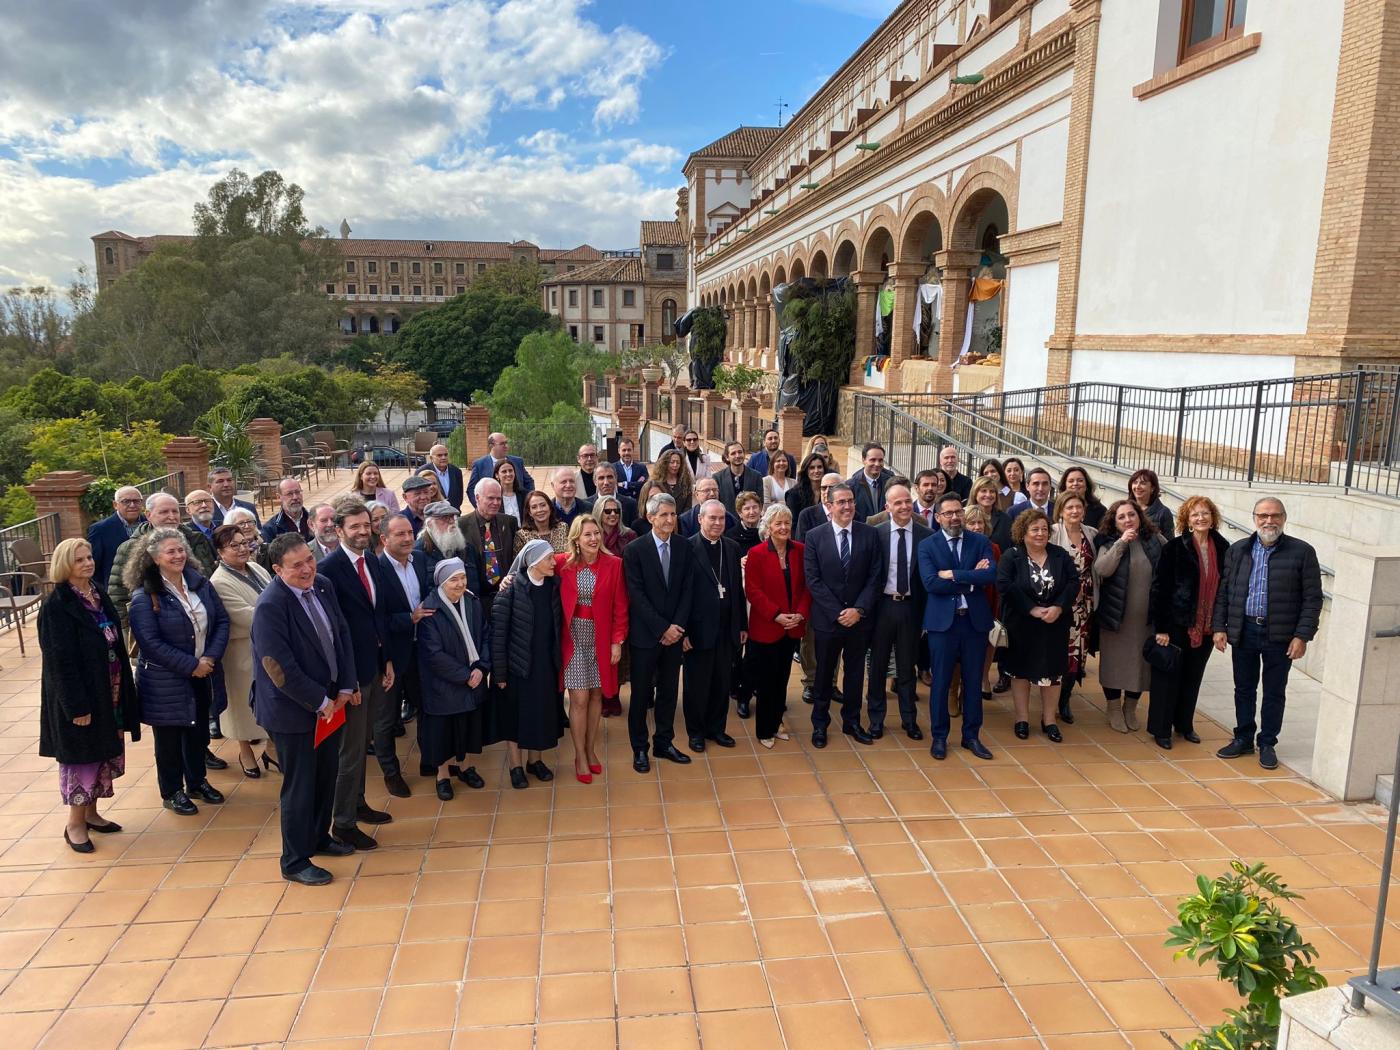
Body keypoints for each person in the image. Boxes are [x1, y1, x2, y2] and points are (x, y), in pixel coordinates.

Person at [251, 533, 358, 886]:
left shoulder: (323, 585)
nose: (307, 569)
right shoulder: (271, 605)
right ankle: (294, 860)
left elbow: (341, 634)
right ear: (277, 568)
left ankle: (319, 837)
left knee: (326, 774)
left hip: (330, 703)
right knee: (300, 785)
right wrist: (321, 701)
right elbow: (278, 667)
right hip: (293, 711)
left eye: (309, 560)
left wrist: (345, 686)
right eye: (296, 565)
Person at [38, 538, 140, 853]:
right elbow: (59, 662)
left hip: (108, 692)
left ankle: (93, 813)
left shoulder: (97, 593)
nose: (87, 563)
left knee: (101, 755)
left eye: (89, 557)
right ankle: (75, 824)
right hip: (82, 699)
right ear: (65, 565)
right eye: (79, 559)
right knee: (83, 760)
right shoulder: (58, 605)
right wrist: (76, 707)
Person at [126, 527, 231, 814]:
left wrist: (209, 658)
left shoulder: (200, 583)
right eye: (170, 551)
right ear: (154, 557)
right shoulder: (144, 596)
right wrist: (191, 665)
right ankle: (172, 791)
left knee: (197, 733)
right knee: (170, 739)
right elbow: (150, 642)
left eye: (181, 549)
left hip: (202, 672)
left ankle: (197, 782)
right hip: (165, 681)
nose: (178, 555)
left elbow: (221, 620)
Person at [1213, 497, 1322, 770]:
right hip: (1245, 629)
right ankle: (1244, 738)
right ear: (1254, 518)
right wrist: (1219, 627)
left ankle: (1268, 742)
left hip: (1281, 634)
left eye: (1274, 515)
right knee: (1244, 688)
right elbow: (1224, 592)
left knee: (1275, 691)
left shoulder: (1302, 552)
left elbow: (1312, 598)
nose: (1268, 521)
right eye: (1263, 515)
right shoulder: (1239, 550)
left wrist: (1302, 636)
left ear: (1284, 518)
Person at [318, 498, 398, 850]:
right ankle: (343, 823)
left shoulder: (374, 562)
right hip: (351, 678)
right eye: (355, 527)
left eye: (366, 525)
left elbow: (380, 616)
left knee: (363, 742)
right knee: (350, 752)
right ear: (338, 531)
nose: (363, 531)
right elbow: (336, 632)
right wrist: (348, 682)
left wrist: (388, 661)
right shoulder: (329, 571)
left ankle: (358, 803)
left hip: (376, 667)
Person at [804, 482, 883, 747]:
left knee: (855, 674)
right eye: (841, 502)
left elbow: (875, 577)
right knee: (824, 675)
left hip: (859, 621)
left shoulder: (869, 535)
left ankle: (852, 722)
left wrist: (858, 610)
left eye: (850, 501)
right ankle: (820, 725)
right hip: (828, 621)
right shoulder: (815, 536)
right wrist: (839, 612)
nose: (847, 506)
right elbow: (813, 580)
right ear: (829, 505)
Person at [922, 493, 998, 760]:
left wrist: (954, 574)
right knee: (941, 682)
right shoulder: (928, 545)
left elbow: (989, 576)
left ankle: (971, 736)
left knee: (973, 681)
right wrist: (972, 578)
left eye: (958, 512)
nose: (954, 517)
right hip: (943, 625)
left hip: (974, 623)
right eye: (948, 513)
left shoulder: (980, 541)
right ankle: (939, 737)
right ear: (939, 517)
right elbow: (931, 583)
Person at [1149, 495, 1228, 750]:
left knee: (1193, 677)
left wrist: (1220, 626)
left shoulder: (1224, 547)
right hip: (1176, 624)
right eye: (1195, 514)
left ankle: (1184, 724)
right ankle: (1161, 729)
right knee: (1168, 677)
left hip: (1206, 626)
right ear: (1187, 519)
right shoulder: (1174, 548)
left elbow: (1226, 589)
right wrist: (1160, 627)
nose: (1201, 518)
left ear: (1213, 517)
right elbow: (1160, 589)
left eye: (1205, 513)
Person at [623, 493, 695, 773]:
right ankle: (639, 748)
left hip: (675, 635)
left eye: (673, 514)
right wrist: (662, 628)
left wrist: (676, 627)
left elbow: (687, 590)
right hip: (646, 636)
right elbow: (636, 595)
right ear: (650, 518)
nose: (670, 519)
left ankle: (664, 742)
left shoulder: (683, 547)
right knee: (641, 695)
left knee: (668, 691)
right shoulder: (635, 550)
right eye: (663, 515)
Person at [556, 516, 628, 783]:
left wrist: (616, 641)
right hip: (573, 639)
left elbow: (621, 607)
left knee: (597, 696)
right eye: (587, 535)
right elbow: (531, 565)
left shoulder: (615, 565)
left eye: (596, 533)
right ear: (576, 539)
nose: (594, 539)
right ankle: (579, 755)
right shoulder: (562, 563)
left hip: (601, 639)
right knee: (579, 699)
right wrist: (508, 581)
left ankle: (590, 748)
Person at [996, 509, 1076, 743]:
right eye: (1035, 529)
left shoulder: (1060, 555)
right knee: (1020, 672)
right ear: (1023, 532)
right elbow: (1004, 584)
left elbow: (1073, 583)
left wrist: (1059, 607)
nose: (1041, 533)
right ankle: (1021, 718)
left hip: (1054, 624)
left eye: (1044, 529)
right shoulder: (1012, 556)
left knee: (1052, 675)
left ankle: (1049, 720)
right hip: (1022, 624)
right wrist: (1031, 608)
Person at [490, 540, 566, 788]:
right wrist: (499, 673)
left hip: (544, 664)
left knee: (540, 715)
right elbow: (498, 634)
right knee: (515, 717)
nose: (554, 562)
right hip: (517, 667)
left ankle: (536, 761)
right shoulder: (510, 590)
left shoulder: (553, 585)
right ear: (533, 562)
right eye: (549, 559)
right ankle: (516, 766)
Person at [416, 558, 490, 798]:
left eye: (463, 578)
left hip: (473, 678)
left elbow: (485, 636)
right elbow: (433, 654)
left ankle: (466, 767)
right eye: (453, 580)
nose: (460, 584)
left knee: (467, 728)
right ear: (441, 582)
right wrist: (465, 675)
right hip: (444, 685)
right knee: (443, 733)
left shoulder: (472, 601)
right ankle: (443, 776)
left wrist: (481, 668)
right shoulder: (430, 608)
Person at [209, 524, 276, 779]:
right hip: (240, 653)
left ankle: (271, 750)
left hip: (267, 647)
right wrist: (280, 612)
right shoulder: (219, 582)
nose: (241, 549)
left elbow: (273, 594)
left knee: (269, 705)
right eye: (233, 546)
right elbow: (249, 616)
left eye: (243, 543)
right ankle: (245, 751)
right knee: (241, 709)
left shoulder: (256, 568)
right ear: (220, 552)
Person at [1093, 499, 1164, 733]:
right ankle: (1113, 708)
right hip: (1116, 618)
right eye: (1121, 517)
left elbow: (1171, 560)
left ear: (1139, 517)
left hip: (1147, 620)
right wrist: (1121, 543)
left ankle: (1130, 708)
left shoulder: (1154, 540)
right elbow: (1102, 569)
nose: (1127, 520)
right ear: (1114, 522)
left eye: (1131, 515)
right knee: (1114, 664)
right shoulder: (1108, 542)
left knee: (1140, 666)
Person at [868, 484, 931, 741]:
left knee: (907, 667)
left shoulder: (926, 536)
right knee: (878, 667)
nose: (904, 506)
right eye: (898, 503)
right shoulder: (875, 534)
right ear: (888, 507)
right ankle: (875, 720)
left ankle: (909, 719)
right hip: (882, 607)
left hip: (911, 608)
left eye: (907, 501)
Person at [682, 500, 745, 753]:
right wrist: (683, 631)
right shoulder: (687, 548)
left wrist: (742, 624)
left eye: (721, 519)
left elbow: (737, 590)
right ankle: (696, 732)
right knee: (697, 684)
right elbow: (681, 593)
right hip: (698, 630)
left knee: (721, 681)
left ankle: (716, 728)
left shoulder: (731, 547)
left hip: (727, 628)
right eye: (712, 518)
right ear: (700, 519)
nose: (718, 523)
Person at [744, 504, 809, 748]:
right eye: (778, 523)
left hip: (792, 627)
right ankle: (764, 730)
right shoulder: (757, 553)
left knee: (782, 678)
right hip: (767, 627)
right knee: (766, 681)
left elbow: (806, 586)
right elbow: (753, 591)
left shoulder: (800, 551)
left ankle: (777, 722)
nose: (783, 528)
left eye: (787, 523)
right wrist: (777, 615)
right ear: (768, 527)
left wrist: (800, 614)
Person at [379, 512, 432, 745]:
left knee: (426, 705)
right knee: (387, 718)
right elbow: (377, 619)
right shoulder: (376, 569)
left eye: (410, 532)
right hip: (393, 654)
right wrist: (409, 618)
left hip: (422, 648)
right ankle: (391, 772)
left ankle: (429, 759)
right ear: (384, 539)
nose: (408, 538)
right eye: (400, 534)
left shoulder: (419, 558)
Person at [1049, 491, 1097, 727]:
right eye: (1069, 508)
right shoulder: (1053, 533)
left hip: (1084, 605)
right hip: (1061, 602)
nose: (1074, 511)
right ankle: (1051, 699)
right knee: (1060, 651)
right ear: (1061, 510)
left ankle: (1065, 700)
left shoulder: (1091, 533)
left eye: (1078, 507)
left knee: (1077, 654)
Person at [109, 492, 183, 633]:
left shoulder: (196, 540)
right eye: (164, 512)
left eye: (175, 511)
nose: (171, 516)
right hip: (152, 626)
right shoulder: (130, 548)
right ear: (148, 515)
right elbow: (118, 593)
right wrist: (130, 627)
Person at [592, 494, 635, 717]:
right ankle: (601, 696)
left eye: (616, 511)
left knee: (618, 652)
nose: (612, 515)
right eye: (607, 511)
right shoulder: (591, 536)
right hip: (596, 601)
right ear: (599, 512)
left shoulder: (629, 536)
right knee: (598, 651)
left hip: (622, 598)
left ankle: (614, 695)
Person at [962, 506, 1002, 701]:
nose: (977, 527)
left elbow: (992, 578)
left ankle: (984, 677)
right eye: (972, 523)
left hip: (987, 601)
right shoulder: (956, 546)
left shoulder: (993, 548)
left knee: (987, 642)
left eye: (980, 523)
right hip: (962, 604)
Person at [459, 478, 515, 613]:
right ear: (477, 498)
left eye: (498, 499)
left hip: (507, 596)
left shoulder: (509, 523)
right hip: (477, 600)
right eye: (490, 498)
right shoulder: (461, 526)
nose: (496, 503)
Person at [417, 501, 486, 593]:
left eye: (452, 517)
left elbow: (477, 584)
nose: (451, 522)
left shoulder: (466, 548)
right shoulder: (419, 552)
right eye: (445, 518)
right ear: (430, 524)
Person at [88, 485, 145, 589]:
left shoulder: (149, 524)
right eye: (126, 501)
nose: (132, 505)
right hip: (115, 591)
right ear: (115, 504)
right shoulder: (100, 530)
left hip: (147, 588)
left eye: (136, 501)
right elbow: (95, 566)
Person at [467, 432, 534, 506]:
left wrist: (527, 501)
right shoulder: (479, 464)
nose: (506, 446)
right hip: (492, 510)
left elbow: (529, 482)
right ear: (491, 446)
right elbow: (471, 489)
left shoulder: (517, 461)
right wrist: (481, 507)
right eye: (502, 444)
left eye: (506, 443)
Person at [638, 448, 694, 520]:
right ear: (665, 463)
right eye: (672, 462)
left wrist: (677, 519)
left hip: (680, 522)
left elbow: (688, 507)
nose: (675, 465)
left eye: (678, 462)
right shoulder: (656, 482)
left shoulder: (686, 482)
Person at [849, 443, 895, 522]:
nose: (877, 464)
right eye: (873, 460)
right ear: (864, 460)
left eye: (880, 460)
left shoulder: (891, 483)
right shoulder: (851, 485)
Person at [715, 440, 763, 514]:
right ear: (727, 457)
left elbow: (760, 502)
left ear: (744, 454)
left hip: (749, 521)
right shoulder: (718, 478)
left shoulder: (756, 476)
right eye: (733, 453)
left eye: (740, 452)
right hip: (727, 522)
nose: (737, 456)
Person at [177, 490, 218, 576]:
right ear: (188, 510)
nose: (204, 505)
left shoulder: (223, 527)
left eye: (207, 501)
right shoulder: (185, 534)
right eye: (197, 502)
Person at [516, 489, 570, 553]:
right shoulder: (522, 536)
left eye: (543, 505)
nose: (539, 510)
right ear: (529, 512)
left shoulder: (563, 528)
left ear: (550, 507)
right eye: (534, 507)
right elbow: (519, 562)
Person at [262, 478, 313, 544]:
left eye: (298, 492)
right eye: (289, 494)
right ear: (278, 497)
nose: (295, 497)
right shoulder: (271, 528)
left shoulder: (314, 520)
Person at [1129, 468, 1175, 538]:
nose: (1137, 486)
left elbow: (1169, 543)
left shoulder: (1164, 513)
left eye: (1143, 483)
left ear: (1152, 488)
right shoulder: (1124, 508)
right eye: (1135, 482)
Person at [786, 452, 829, 520]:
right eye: (812, 468)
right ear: (806, 471)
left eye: (819, 467)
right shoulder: (794, 494)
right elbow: (794, 523)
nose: (816, 471)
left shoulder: (831, 491)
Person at [426, 444, 465, 509]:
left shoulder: (456, 471)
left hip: (453, 513)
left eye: (445, 455)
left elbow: (459, 497)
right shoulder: (423, 472)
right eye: (439, 455)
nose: (443, 457)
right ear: (431, 458)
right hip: (433, 514)